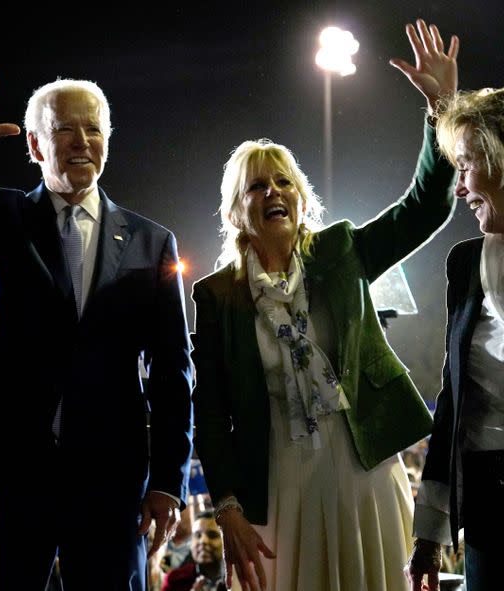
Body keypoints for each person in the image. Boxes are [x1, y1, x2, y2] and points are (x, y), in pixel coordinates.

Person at [190, 19, 458, 591]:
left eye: (284, 182)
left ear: (302, 197)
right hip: (281, 481)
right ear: (237, 211)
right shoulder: (217, 295)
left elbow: (422, 209)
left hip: (364, 465)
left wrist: (441, 110)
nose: (274, 194)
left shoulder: (340, 251)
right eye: (257, 187)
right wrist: (227, 508)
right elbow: (211, 413)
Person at [0, 66, 194, 590]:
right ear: (35, 145)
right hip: (14, 469)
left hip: (110, 476)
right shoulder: (2, 213)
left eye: (94, 129)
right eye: (65, 128)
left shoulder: (154, 243)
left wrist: (168, 483)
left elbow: (173, 371)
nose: (82, 141)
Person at [405, 87, 504, 591]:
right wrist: (428, 537)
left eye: (464, 167)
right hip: (490, 511)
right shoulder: (465, 263)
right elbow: (453, 403)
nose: (460, 188)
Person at [162, 511, 226, 591]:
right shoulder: (174, 580)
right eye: (197, 535)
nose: (203, 541)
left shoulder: (239, 579)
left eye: (212, 535)